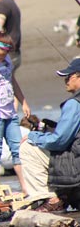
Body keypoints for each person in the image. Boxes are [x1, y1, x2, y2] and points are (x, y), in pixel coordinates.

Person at [19, 58, 80, 212]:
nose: (65, 80)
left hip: (76, 165)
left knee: (27, 146)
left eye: (69, 76)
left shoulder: (74, 103)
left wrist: (34, 136)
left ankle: (51, 199)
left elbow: (59, 141)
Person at [0, 32, 30, 195]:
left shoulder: (7, 61)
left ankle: (25, 186)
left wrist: (23, 101)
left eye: (3, 56)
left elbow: (12, 81)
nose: (0, 59)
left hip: (11, 113)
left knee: (18, 148)